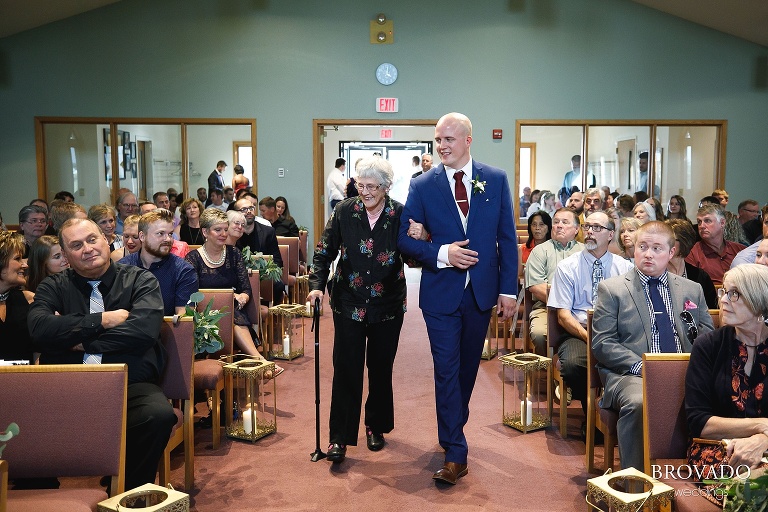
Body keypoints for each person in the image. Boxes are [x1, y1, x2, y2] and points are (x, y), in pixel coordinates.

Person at [398, 112, 518, 485]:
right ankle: (456, 452)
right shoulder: (422, 185)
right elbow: (404, 239)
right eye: (438, 139)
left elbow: (507, 237)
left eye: (449, 139)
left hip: (481, 292)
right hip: (440, 293)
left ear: (468, 140)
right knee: (446, 368)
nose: (442, 146)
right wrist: (441, 252)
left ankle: (452, 425)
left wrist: (507, 289)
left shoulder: (494, 179)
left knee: (467, 369)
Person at [28, 218, 176, 490]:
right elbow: (39, 329)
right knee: (22, 411)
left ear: (107, 241)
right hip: (63, 384)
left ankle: (126, 493)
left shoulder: (140, 280)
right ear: (66, 255)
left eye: (92, 239)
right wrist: (101, 321)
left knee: (159, 415)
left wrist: (75, 340)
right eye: (76, 245)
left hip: (129, 383)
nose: (87, 249)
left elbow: (142, 332)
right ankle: (40, 496)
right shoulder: (53, 287)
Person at [308, 156, 410, 464]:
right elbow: (323, 251)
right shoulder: (343, 211)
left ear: (387, 187)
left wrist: (422, 239)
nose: (364, 191)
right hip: (349, 301)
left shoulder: (400, 214)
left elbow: (415, 258)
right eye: (360, 185)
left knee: (380, 369)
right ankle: (339, 437)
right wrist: (315, 284)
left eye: (372, 186)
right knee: (346, 368)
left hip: (388, 304)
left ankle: (375, 426)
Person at [593, 220, 713, 470]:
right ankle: (636, 486)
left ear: (671, 253)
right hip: (630, 375)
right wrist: (641, 367)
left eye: (657, 248)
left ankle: (696, 480)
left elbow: (707, 337)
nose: (648, 254)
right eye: (643, 247)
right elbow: (603, 343)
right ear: (634, 249)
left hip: (684, 372)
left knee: (721, 397)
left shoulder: (692, 289)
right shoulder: (612, 289)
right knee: (639, 402)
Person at [547, 211, 634, 428]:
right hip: (579, 331)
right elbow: (563, 315)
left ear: (610, 235)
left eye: (597, 228)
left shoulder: (625, 268)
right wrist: (589, 338)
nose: (590, 232)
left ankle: (613, 416)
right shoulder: (567, 267)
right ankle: (593, 419)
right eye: (587, 227)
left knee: (633, 361)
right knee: (574, 364)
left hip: (615, 333)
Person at [685, 264, 768, 471]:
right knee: (748, 484)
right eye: (724, 292)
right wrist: (761, 426)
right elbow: (699, 422)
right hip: (719, 450)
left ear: (759, 299)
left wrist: (762, 441)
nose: (722, 300)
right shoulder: (707, 346)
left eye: (734, 294)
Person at [185, 209, 282, 377]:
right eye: (218, 230)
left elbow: (246, 288)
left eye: (225, 229)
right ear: (205, 232)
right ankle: (259, 360)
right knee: (227, 312)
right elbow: (191, 295)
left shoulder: (234, 253)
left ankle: (258, 360)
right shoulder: (193, 258)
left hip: (234, 309)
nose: (223, 234)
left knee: (230, 312)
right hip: (204, 314)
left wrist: (242, 297)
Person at [524, 208, 583, 355]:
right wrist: (565, 302)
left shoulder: (585, 252)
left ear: (576, 229)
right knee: (539, 334)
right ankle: (548, 368)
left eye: (565, 222)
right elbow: (536, 287)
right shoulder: (540, 251)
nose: (559, 225)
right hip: (546, 307)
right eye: (556, 222)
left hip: (580, 308)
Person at [120, 209, 198, 316]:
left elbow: (184, 319)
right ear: (142, 236)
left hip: (168, 331)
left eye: (170, 234)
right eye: (160, 233)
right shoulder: (122, 268)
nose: (168, 239)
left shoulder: (184, 271)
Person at [232, 197, 284, 304]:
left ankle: (272, 317)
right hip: (239, 277)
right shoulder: (232, 233)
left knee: (278, 285)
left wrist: (265, 272)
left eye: (251, 208)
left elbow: (277, 260)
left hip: (264, 276)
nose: (249, 211)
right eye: (244, 209)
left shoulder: (268, 232)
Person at [687, 204, 746, 285]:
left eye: (707, 221)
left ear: (722, 223)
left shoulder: (740, 250)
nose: (701, 226)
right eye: (699, 222)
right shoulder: (693, 253)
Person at [666, 219, 719, 309]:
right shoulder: (654, 274)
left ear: (684, 242)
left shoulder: (700, 277)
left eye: (670, 240)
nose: (664, 244)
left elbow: (711, 312)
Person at [0, 232, 35, 362]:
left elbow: (39, 349)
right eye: (17, 259)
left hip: (24, 379)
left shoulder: (29, 300)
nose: (25, 265)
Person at [519, 211, 551, 285]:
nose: (537, 228)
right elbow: (519, 276)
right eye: (534, 225)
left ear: (549, 227)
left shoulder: (554, 248)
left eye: (541, 224)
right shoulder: (522, 249)